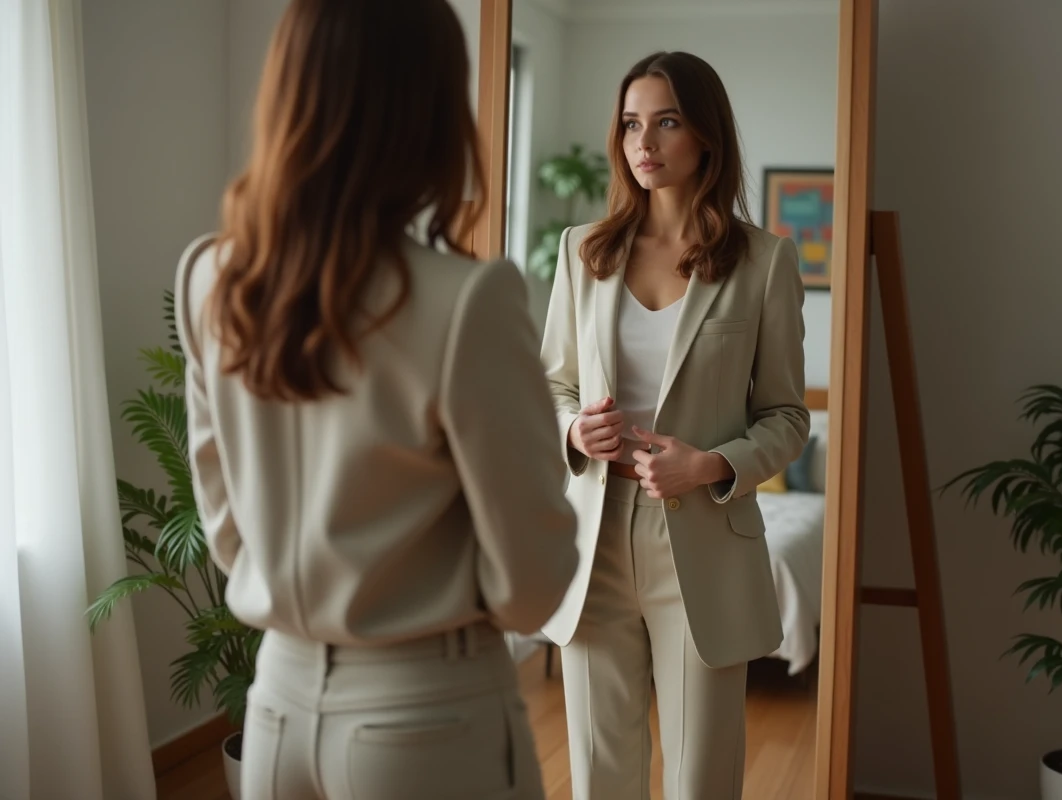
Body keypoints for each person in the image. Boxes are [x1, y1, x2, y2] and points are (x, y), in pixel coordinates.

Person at [174, 1, 578, 798]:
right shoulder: (468, 300)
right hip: (427, 713)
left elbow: (222, 522)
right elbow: (532, 581)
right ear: (429, 107)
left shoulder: (210, 278)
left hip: (275, 714)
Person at [539, 50, 811, 800]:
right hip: (594, 536)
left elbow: (788, 416)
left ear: (706, 138)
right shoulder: (582, 251)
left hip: (700, 540)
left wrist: (712, 465)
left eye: (667, 122)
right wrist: (571, 432)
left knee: (702, 775)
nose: (644, 143)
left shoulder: (764, 262)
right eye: (631, 123)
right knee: (600, 774)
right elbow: (553, 384)